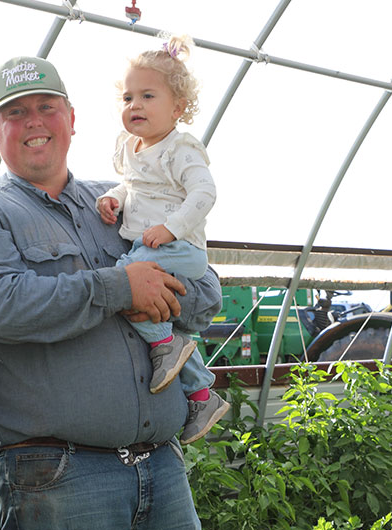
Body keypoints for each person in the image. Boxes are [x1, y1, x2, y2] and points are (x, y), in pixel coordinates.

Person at [0, 55, 222, 530]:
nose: (34, 121)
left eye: (46, 106)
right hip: (59, 479)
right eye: (14, 112)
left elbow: (207, 293)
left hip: (161, 466)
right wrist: (121, 287)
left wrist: (156, 294)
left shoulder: (120, 200)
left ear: (72, 120)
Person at [97, 34, 229, 445]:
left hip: (181, 249)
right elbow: (131, 186)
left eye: (147, 96)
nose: (134, 105)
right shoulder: (132, 149)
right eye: (127, 97)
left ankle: (168, 347)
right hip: (153, 247)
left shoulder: (180, 149)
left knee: (123, 284)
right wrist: (113, 198)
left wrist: (171, 227)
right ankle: (202, 394)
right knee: (151, 310)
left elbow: (205, 194)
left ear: (178, 107)